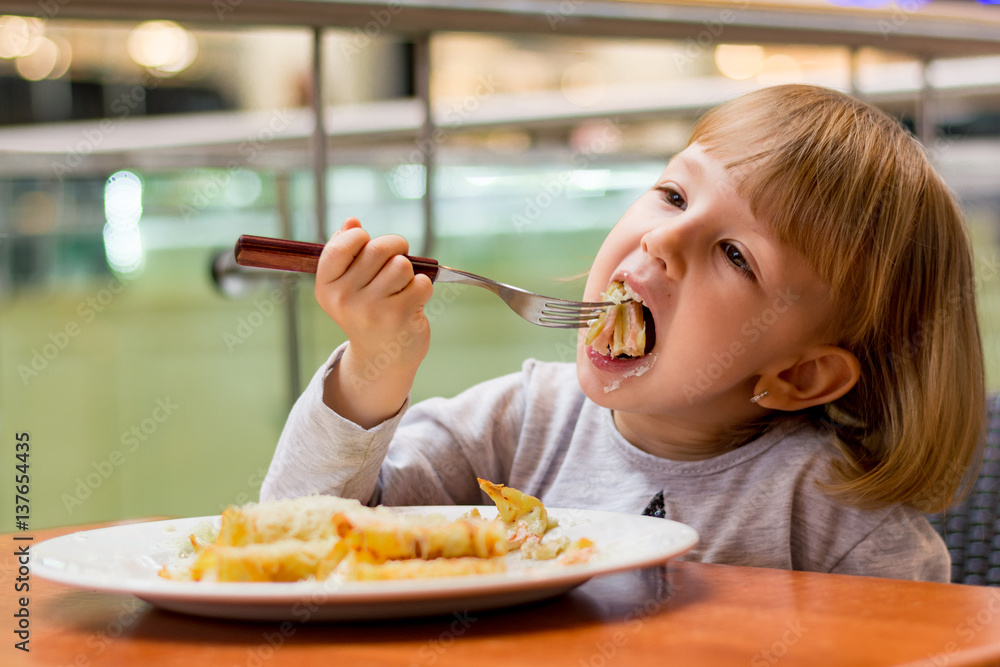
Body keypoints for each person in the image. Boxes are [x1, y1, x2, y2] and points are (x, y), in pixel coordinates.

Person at [261, 84, 986, 581]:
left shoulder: (837, 522)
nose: (665, 238)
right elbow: (302, 541)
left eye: (736, 255)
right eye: (673, 193)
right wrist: (372, 368)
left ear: (798, 375)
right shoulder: (515, 426)